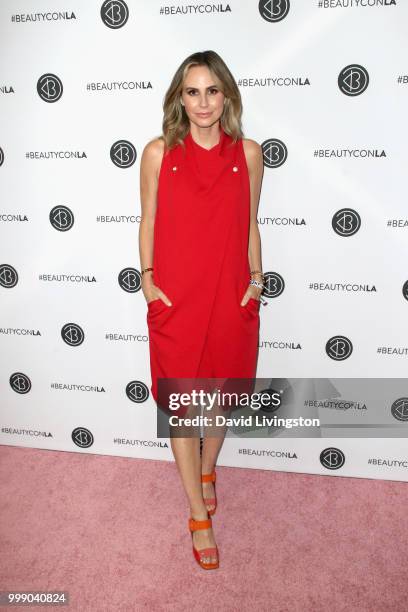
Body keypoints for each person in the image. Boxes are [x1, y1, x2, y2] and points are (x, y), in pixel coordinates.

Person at [138, 50, 264, 570]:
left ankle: (208, 469)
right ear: (179, 97)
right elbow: (147, 221)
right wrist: (148, 284)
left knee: (222, 397)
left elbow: (250, 222)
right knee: (184, 408)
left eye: (212, 90)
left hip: (231, 295)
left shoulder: (249, 153)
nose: (203, 101)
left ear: (227, 95)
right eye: (192, 91)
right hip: (179, 301)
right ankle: (197, 514)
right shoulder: (157, 153)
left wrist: (256, 282)